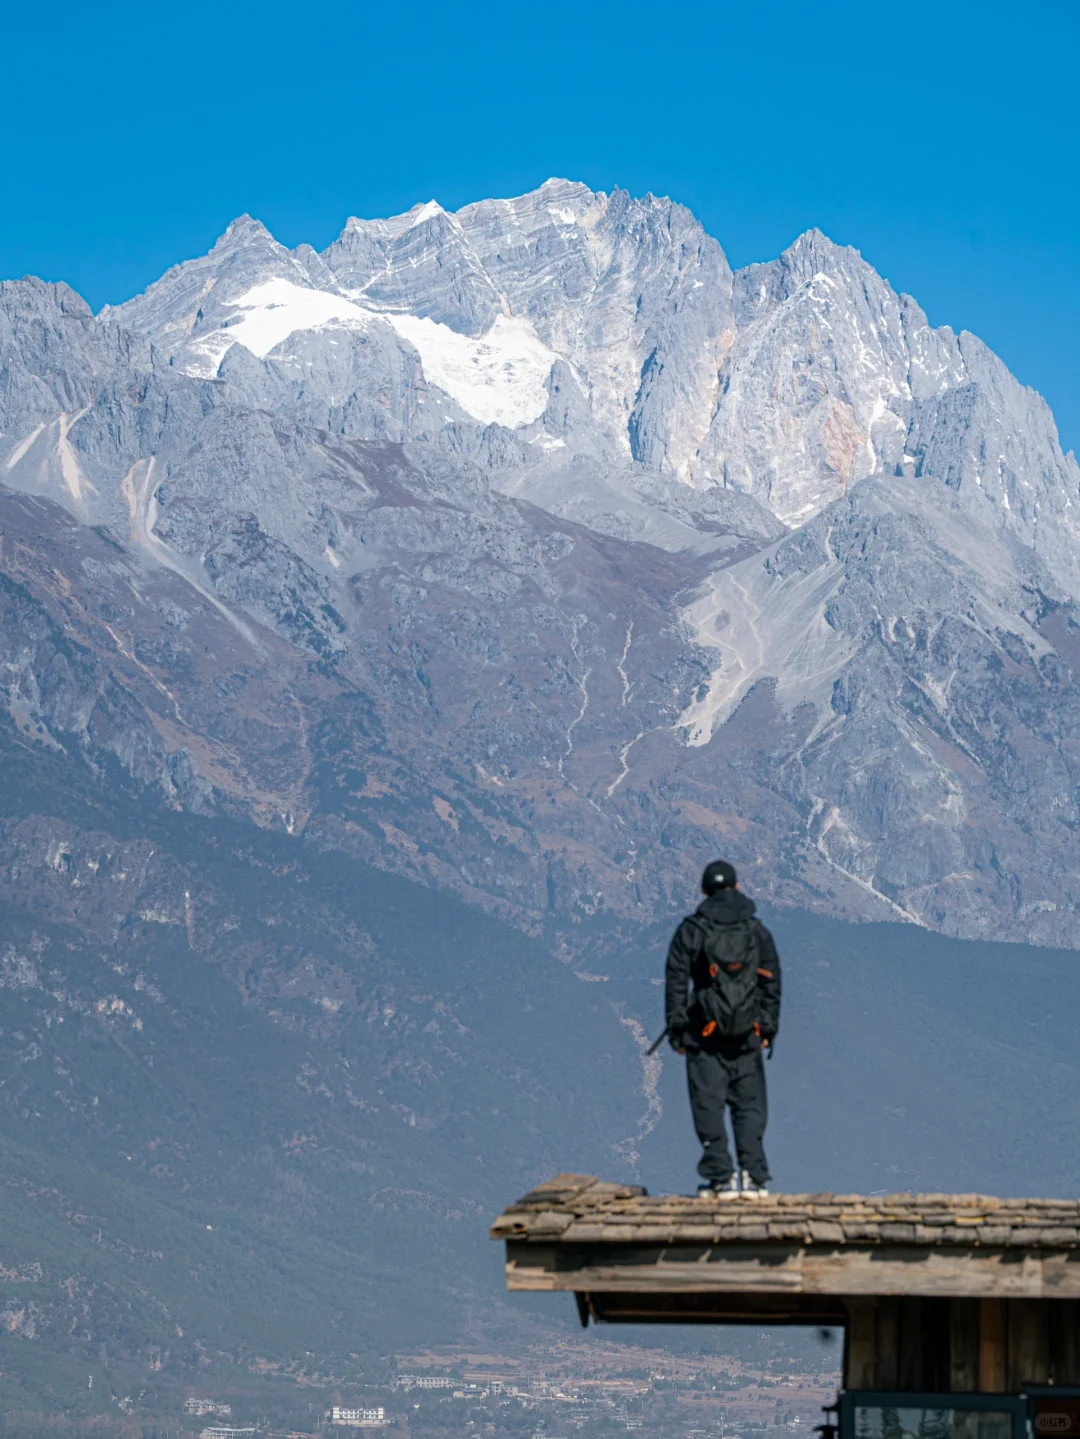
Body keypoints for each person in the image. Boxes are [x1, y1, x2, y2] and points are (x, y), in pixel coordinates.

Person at [664, 859, 782, 1198]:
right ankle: (754, 1177)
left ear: (703, 890)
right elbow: (771, 983)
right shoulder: (756, 931)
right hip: (746, 1036)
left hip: (704, 1035)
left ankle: (721, 1178)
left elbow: (675, 982)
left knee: (708, 1106)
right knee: (749, 1106)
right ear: (737, 887)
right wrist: (766, 1029)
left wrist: (677, 1030)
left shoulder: (692, 930)